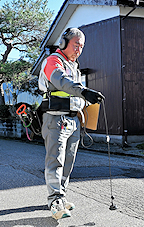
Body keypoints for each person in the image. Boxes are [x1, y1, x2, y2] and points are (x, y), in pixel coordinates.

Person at [38, 28, 104, 219]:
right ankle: (54, 200)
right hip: (56, 118)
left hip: (73, 120)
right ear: (63, 43)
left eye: (81, 47)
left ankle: (61, 196)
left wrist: (87, 103)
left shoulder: (74, 66)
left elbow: (75, 93)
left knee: (68, 162)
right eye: (76, 45)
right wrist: (84, 92)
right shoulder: (53, 61)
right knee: (55, 161)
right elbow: (60, 80)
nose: (79, 50)